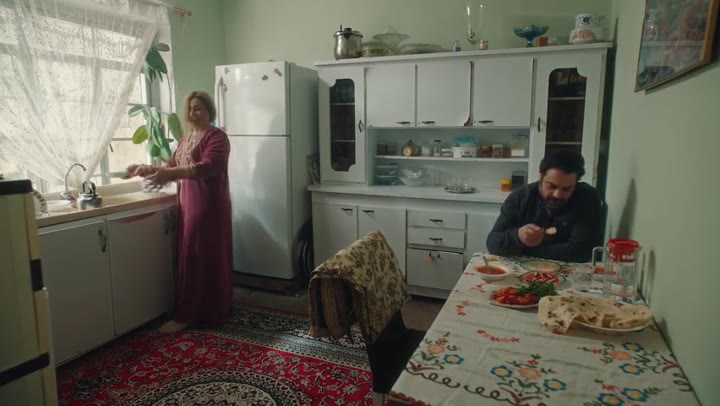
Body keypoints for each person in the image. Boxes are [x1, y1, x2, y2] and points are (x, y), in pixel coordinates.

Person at [126, 91, 233, 334]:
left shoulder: (217, 137)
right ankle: (201, 311)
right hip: (188, 203)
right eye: (190, 109)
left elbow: (207, 167)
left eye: (199, 108)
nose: (193, 113)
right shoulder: (186, 139)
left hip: (208, 205)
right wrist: (145, 168)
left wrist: (169, 173)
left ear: (209, 111)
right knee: (194, 255)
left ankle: (193, 314)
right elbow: (172, 167)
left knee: (199, 255)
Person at [486, 149, 603, 262]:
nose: (557, 194)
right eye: (552, 186)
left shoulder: (587, 197)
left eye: (566, 189)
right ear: (541, 178)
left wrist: (524, 249)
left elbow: (581, 252)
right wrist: (517, 236)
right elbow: (493, 243)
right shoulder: (520, 197)